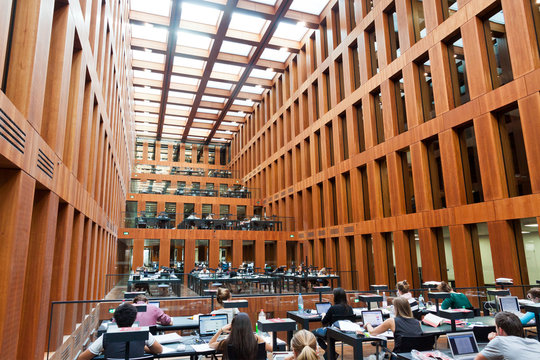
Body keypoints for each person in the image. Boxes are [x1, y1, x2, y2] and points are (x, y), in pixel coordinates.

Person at [78, 303, 162, 360]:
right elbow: (159, 350)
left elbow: (81, 358)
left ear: (115, 320)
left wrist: (102, 350)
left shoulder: (106, 337)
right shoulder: (144, 334)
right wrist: (142, 347)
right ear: (133, 320)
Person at [474, 311, 540, 360]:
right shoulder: (535, 342)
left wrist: (492, 342)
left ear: (500, 330)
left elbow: (477, 359)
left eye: (496, 328)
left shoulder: (499, 341)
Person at [313, 288, 354, 353]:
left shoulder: (333, 308)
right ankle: (330, 353)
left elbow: (324, 322)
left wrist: (323, 315)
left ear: (336, 297)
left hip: (334, 333)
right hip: (347, 334)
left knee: (314, 333)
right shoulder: (350, 308)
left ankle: (330, 352)